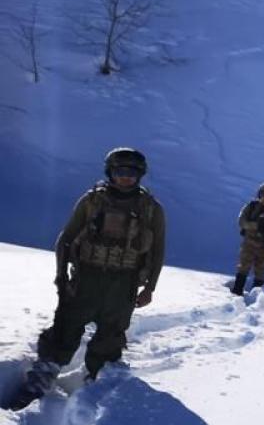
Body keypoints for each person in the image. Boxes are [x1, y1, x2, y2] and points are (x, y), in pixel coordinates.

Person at [5, 148, 166, 410]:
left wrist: (150, 288)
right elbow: (66, 239)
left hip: (124, 284)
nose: (125, 177)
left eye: (131, 173)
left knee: (111, 335)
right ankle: (40, 379)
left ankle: (96, 385)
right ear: (110, 172)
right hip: (86, 278)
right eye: (120, 171)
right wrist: (60, 277)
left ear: (140, 175)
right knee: (64, 328)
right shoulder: (92, 201)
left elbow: (158, 250)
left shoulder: (151, 210)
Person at [231, 182, 264, 295]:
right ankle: (237, 293)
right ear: (260, 195)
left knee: (261, 271)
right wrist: (256, 225)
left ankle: (256, 298)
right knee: (243, 268)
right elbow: (241, 222)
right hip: (249, 244)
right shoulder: (251, 206)